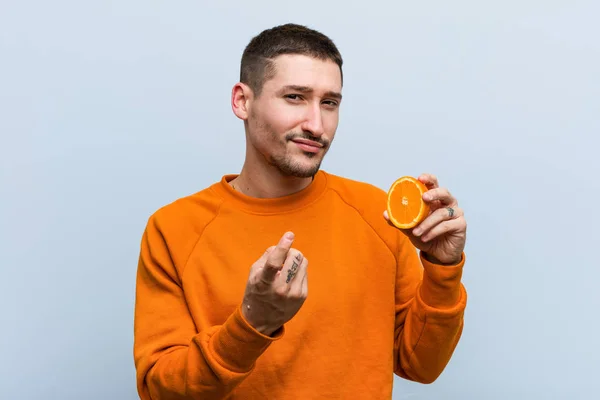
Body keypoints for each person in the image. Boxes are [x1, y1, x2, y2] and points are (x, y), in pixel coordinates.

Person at [133, 23, 468, 400]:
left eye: (329, 103)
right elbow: (160, 391)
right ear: (242, 101)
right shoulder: (174, 229)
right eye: (294, 97)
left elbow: (420, 365)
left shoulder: (377, 213)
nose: (316, 124)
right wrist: (252, 322)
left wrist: (442, 270)